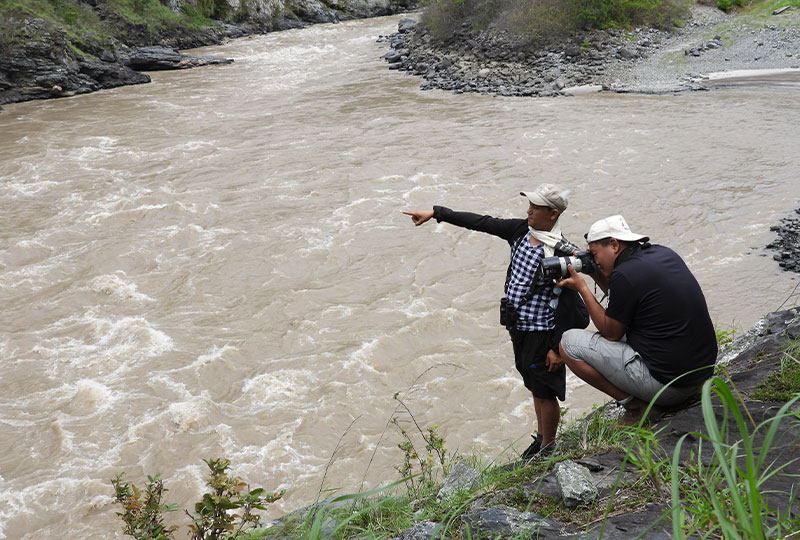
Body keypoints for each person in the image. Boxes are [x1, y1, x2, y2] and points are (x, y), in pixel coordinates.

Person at [403, 184, 586, 459]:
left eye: (535, 208)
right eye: (529, 206)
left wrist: (557, 347)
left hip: (542, 333)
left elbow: (574, 308)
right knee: (533, 385)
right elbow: (481, 222)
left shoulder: (562, 253)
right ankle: (541, 439)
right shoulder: (521, 231)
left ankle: (548, 448)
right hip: (519, 329)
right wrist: (436, 212)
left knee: (545, 391)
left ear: (553, 213)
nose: (529, 211)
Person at [557, 215, 717, 425]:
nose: (594, 260)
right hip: (699, 376)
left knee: (568, 343)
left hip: (671, 389)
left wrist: (582, 288)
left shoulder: (625, 274)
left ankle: (635, 407)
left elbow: (610, 333)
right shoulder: (661, 253)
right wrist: (595, 272)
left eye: (595, 254)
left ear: (613, 244)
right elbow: (623, 297)